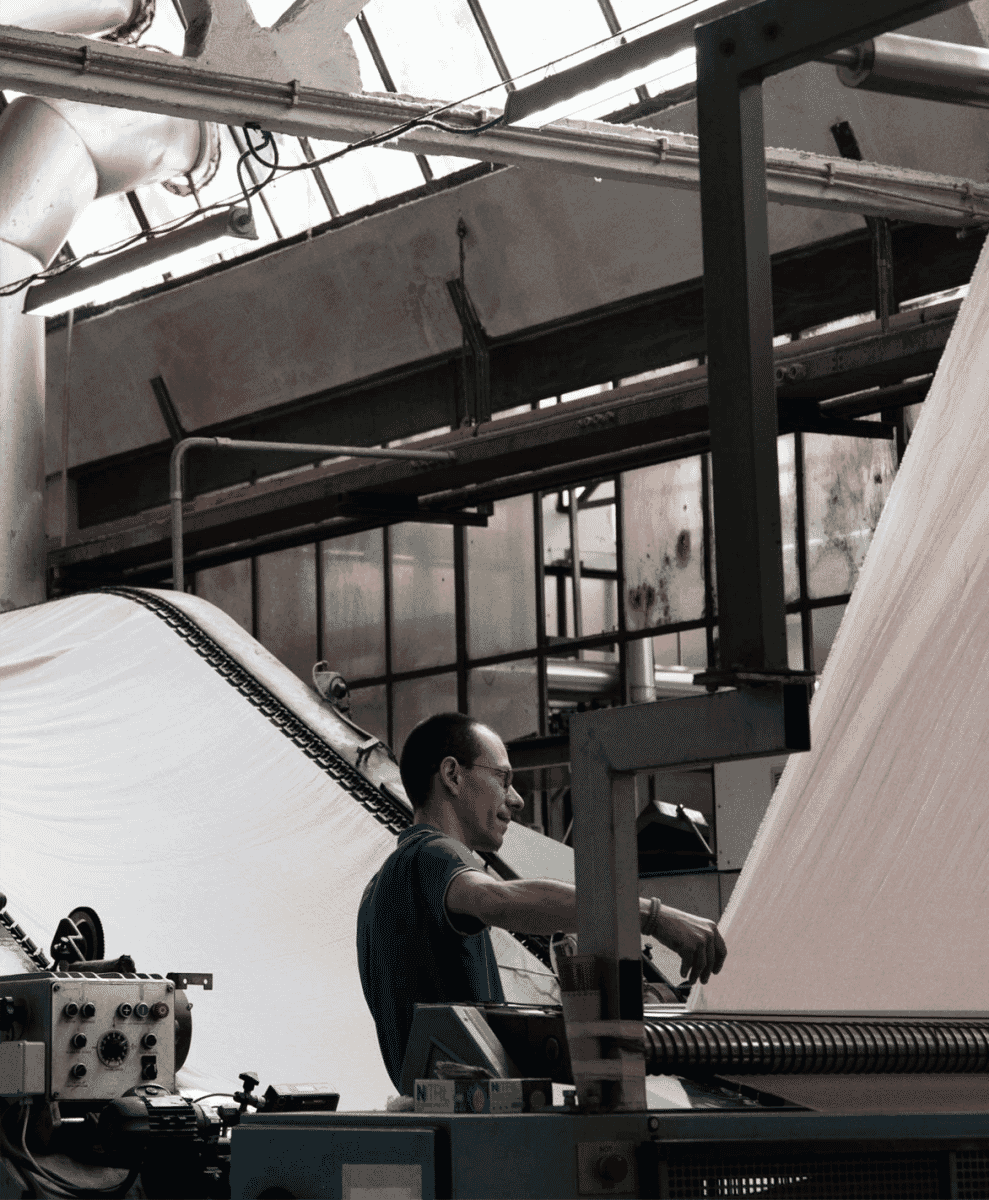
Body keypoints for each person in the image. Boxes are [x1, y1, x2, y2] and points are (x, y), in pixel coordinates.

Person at [357, 712, 727, 1091]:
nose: (516, 800)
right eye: (503, 779)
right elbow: (496, 899)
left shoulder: (378, 890)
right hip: (478, 1127)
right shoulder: (432, 854)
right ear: (452, 775)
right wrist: (653, 917)